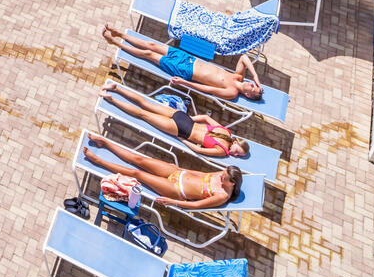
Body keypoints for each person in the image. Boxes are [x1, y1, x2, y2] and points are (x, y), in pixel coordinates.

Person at [103, 24, 264, 103]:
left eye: (253, 87)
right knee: (152, 45)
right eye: (253, 84)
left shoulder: (232, 92)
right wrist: (256, 76)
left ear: (248, 95)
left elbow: (207, 89)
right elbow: (244, 58)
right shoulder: (239, 77)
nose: (251, 84)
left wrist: (185, 83)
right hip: (189, 59)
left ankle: (115, 43)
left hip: (185, 70)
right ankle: (120, 34)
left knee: (149, 54)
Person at [82, 132, 243, 210]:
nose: (220, 175)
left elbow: (197, 205)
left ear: (232, 183)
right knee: (139, 159)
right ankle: (106, 143)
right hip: (177, 172)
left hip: (176, 190)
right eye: (222, 173)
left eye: (224, 177)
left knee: (138, 174)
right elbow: (200, 175)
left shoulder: (222, 196)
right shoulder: (221, 174)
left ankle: (98, 161)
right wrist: (178, 169)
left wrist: (173, 202)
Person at [101, 80, 251, 160]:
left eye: (238, 156)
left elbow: (205, 117)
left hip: (184, 118)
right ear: (236, 143)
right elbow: (199, 150)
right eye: (238, 152)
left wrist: (188, 119)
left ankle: (116, 88)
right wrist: (182, 139)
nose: (235, 155)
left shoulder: (226, 131)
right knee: (142, 114)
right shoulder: (223, 151)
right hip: (182, 130)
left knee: (146, 104)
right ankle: (112, 99)